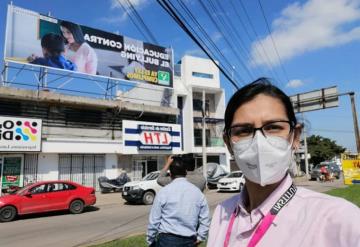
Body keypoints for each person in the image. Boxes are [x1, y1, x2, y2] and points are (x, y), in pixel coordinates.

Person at [207, 78, 360, 247]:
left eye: (273, 127)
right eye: (244, 131)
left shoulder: (341, 220)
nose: (259, 142)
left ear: (295, 137)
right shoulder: (222, 212)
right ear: (228, 143)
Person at [147, 157, 210, 247]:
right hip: (189, 239)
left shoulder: (164, 192)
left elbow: (154, 220)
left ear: (171, 173)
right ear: (185, 172)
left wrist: (150, 240)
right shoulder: (197, 191)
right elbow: (205, 218)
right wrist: (201, 237)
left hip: (166, 240)